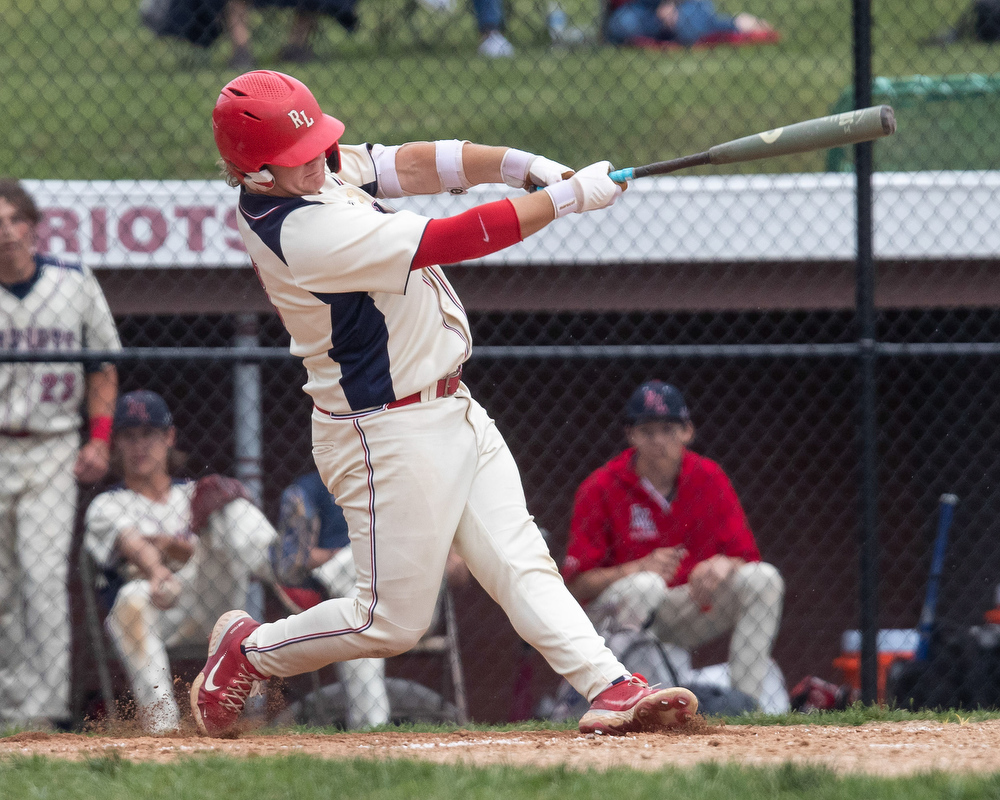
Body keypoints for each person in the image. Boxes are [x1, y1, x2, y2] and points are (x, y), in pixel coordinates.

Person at [190, 68, 699, 738]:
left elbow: (417, 162)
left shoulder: (316, 167)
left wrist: (524, 166)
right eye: (295, 158)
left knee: (520, 557)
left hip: (452, 404)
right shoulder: (296, 231)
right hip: (385, 431)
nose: (317, 160)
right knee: (391, 622)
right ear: (253, 172)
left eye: (316, 144)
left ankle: (609, 685)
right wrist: (567, 201)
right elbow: (453, 239)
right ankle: (249, 651)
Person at [562, 380, 789, 712]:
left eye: (668, 429)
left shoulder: (708, 477)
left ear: (687, 431)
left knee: (764, 579)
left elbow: (747, 558)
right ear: (631, 435)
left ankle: (747, 708)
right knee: (646, 584)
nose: (658, 440)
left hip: (688, 607)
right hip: (618, 620)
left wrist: (725, 564)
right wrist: (638, 568)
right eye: (647, 430)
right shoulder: (600, 486)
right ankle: (623, 700)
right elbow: (576, 583)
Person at [83, 390, 278, 734]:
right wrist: (158, 567)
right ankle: (164, 728)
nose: (139, 446)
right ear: (116, 443)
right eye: (129, 436)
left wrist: (173, 547)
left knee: (222, 500)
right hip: (157, 608)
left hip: (210, 600)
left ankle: (278, 563)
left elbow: (195, 553)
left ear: (169, 437)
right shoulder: (108, 504)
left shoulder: (192, 495)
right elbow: (131, 542)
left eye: (149, 434)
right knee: (131, 600)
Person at [0, 178, 120, 730]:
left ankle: (42, 712)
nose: (5, 234)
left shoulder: (72, 283)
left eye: (13, 220)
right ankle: (8, 706)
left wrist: (98, 439)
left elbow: (102, 367)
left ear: (32, 225)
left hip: (51, 446)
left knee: (43, 575)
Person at [276, 469, 473, 727]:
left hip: (413, 603)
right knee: (358, 598)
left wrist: (426, 552)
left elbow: (460, 574)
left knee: (361, 577)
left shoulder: (411, 484)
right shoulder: (311, 489)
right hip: (354, 599)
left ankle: (370, 726)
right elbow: (291, 563)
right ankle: (372, 727)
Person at [603, 0, 776, 47]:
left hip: (686, 3)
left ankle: (734, 24)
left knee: (687, 29)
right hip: (645, 8)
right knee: (622, 25)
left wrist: (671, 3)